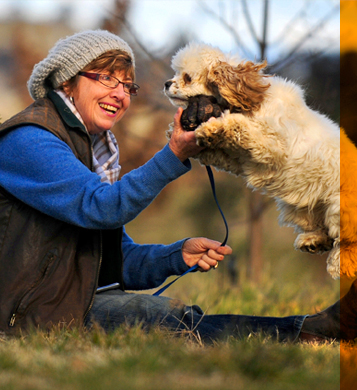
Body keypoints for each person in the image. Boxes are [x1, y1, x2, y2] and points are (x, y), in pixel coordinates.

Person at [0, 29, 355, 343]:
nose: (120, 94)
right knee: (168, 318)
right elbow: (101, 207)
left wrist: (176, 254)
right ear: (66, 82)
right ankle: (308, 332)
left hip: (58, 301)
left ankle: (314, 329)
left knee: (165, 315)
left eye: (128, 85)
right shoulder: (31, 139)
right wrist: (173, 154)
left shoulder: (94, 153)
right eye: (107, 78)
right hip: (21, 315)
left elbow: (115, 262)